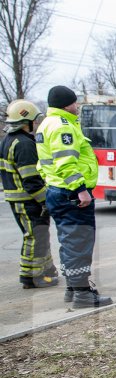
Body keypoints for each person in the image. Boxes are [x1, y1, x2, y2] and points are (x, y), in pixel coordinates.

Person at [35, 85, 112, 308]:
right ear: (67, 104)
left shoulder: (46, 124)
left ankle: (73, 288)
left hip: (57, 191)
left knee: (68, 242)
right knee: (79, 243)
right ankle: (83, 294)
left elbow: (43, 164)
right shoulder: (62, 126)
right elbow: (66, 162)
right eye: (75, 102)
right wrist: (80, 189)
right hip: (71, 194)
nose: (77, 106)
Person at [0, 100, 59, 289]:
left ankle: (44, 271)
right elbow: (31, 180)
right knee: (35, 237)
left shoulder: (7, 141)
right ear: (27, 122)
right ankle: (32, 277)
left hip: (17, 198)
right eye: (35, 119)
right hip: (28, 200)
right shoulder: (24, 144)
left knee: (37, 236)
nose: (37, 123)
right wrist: (46, 201)